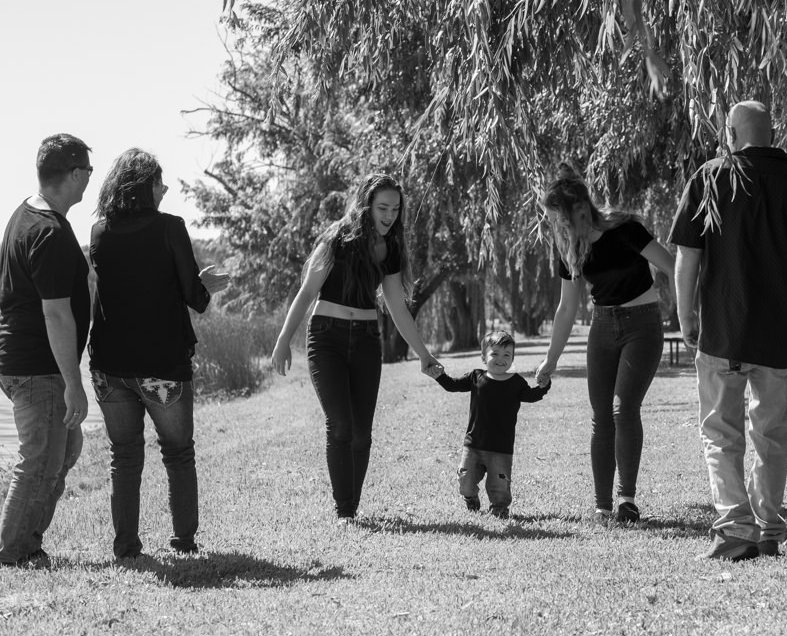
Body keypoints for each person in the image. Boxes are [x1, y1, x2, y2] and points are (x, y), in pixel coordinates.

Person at [669, 101, 787, 561]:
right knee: (771, 434)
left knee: (720, 432)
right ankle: (768, 528)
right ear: (772, 132)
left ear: (731, 132)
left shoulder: (709, 177)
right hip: (780, 331)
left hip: (724, 328)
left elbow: (688, 256)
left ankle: (734, 530)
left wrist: (686, 316)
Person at [271, 173, 440, 522]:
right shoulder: (336, 239)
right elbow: (306, 292)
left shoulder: (389, 248)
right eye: (383, 207)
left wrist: (423, 353)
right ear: (366, 204)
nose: (390, 215)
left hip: (365, 340)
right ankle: (344, 512)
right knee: (341, 425)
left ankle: (352, 507)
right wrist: (283, 341)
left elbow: (395, 306)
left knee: (362, 432)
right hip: (326, 338)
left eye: (395, 208)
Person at [88, 149, 230, 559]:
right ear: (144, 186)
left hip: (108, 367)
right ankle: (183, 542)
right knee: (178, 452)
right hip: (161, 365)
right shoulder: (171, 227)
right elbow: (194, 298)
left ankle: (126, 547)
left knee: (124, 455)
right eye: (159, 181)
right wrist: (206, 284)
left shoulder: (99, 232)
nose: (165, 188)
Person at [535, 164, 674, 524]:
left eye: (559, 219)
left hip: (642, 323)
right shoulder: (569, 247)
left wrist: (685, 313)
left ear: (579, 210)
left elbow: (672, 267)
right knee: (601, 416)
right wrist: (551, 360)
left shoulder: (623, 229)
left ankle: (626, 500)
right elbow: (567, 307)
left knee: (622, 407)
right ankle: (602, 506)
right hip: (602, 328)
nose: (557, 227)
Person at [0, 134, 94, 568]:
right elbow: (55, 315)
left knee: (63, 451)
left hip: (24, 362)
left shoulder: (26, 215)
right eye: (87, 169)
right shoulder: (47, 232)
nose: (90, 177)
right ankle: (10, 553)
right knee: (39, 460)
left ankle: (28, 544)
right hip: (37, 367)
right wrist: (74, 383)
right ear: (72, 174)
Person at [430, 331, 551, 518]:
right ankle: (470, 497)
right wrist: (439, 376)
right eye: (494, 353)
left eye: (506, 355)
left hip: (501, 448)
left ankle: (499, 508)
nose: (500, 359)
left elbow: (532, 396)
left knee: (500, 484)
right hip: (474, 444)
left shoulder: (516, 382)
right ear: (483, 357)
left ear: (512, 358)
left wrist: (544, 386)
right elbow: (452, 385)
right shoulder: (475, 377)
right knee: (465, 479)